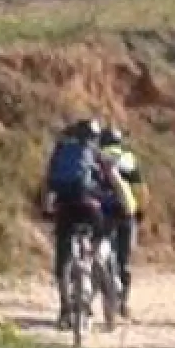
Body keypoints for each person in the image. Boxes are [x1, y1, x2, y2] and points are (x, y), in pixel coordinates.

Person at [41, 118, 109, 327]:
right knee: (101, 237)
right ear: (94, 137)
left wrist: (47, 207)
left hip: (64, 207)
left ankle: (64, 310)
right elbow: (109, 181)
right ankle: (93, 265)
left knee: (63, 257)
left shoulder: (60, 150)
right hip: (88, 205)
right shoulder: (96, 153)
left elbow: (48, 181)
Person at [98, 125, 143, 301]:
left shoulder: (96, 156)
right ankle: (124, 302)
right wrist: (139, 212)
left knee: (99, 249)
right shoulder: (128, 158)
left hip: (102, 210)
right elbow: (139, 189)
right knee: (124, 258)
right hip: (125, 211)